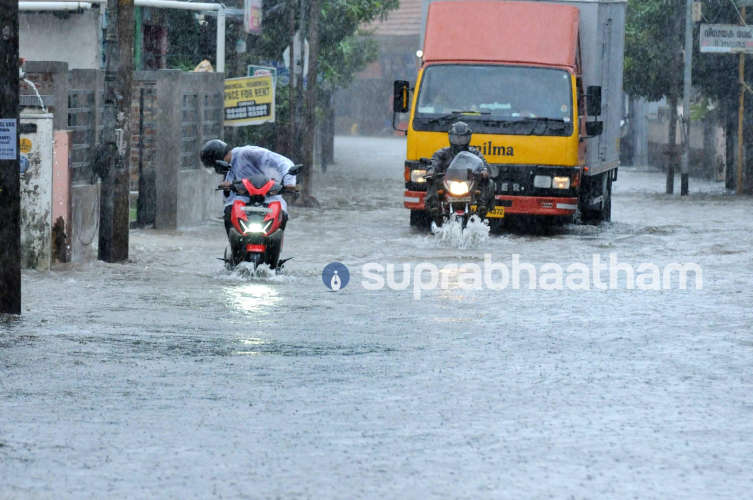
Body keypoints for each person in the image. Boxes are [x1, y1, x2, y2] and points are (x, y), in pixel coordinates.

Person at [200, 139, 297, 234]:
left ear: (219, 159)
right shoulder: (227, 171)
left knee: (281, 215)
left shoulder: (248, 153)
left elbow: (283, 162)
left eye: (214, 165)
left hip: (269, 196)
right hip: (245, 202)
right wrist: (227, 189)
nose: (216, 169)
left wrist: (289, 182)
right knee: (228, 212)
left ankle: (275, 245)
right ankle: (234, 245)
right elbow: (229, 199)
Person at [424, 121, 495, 220]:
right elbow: (434, 162)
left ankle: (482, 206)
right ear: (450, 137)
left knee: (489, 182)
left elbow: (482, 163)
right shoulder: (442, 153)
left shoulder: (474, 152)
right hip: (446, 182)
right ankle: (434, 207)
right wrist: (431, 171)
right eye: (456, 138)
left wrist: (484, 171)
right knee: (431, 181)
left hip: (469, 183)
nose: (459, 141)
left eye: (462, 138)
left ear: (468, 138)